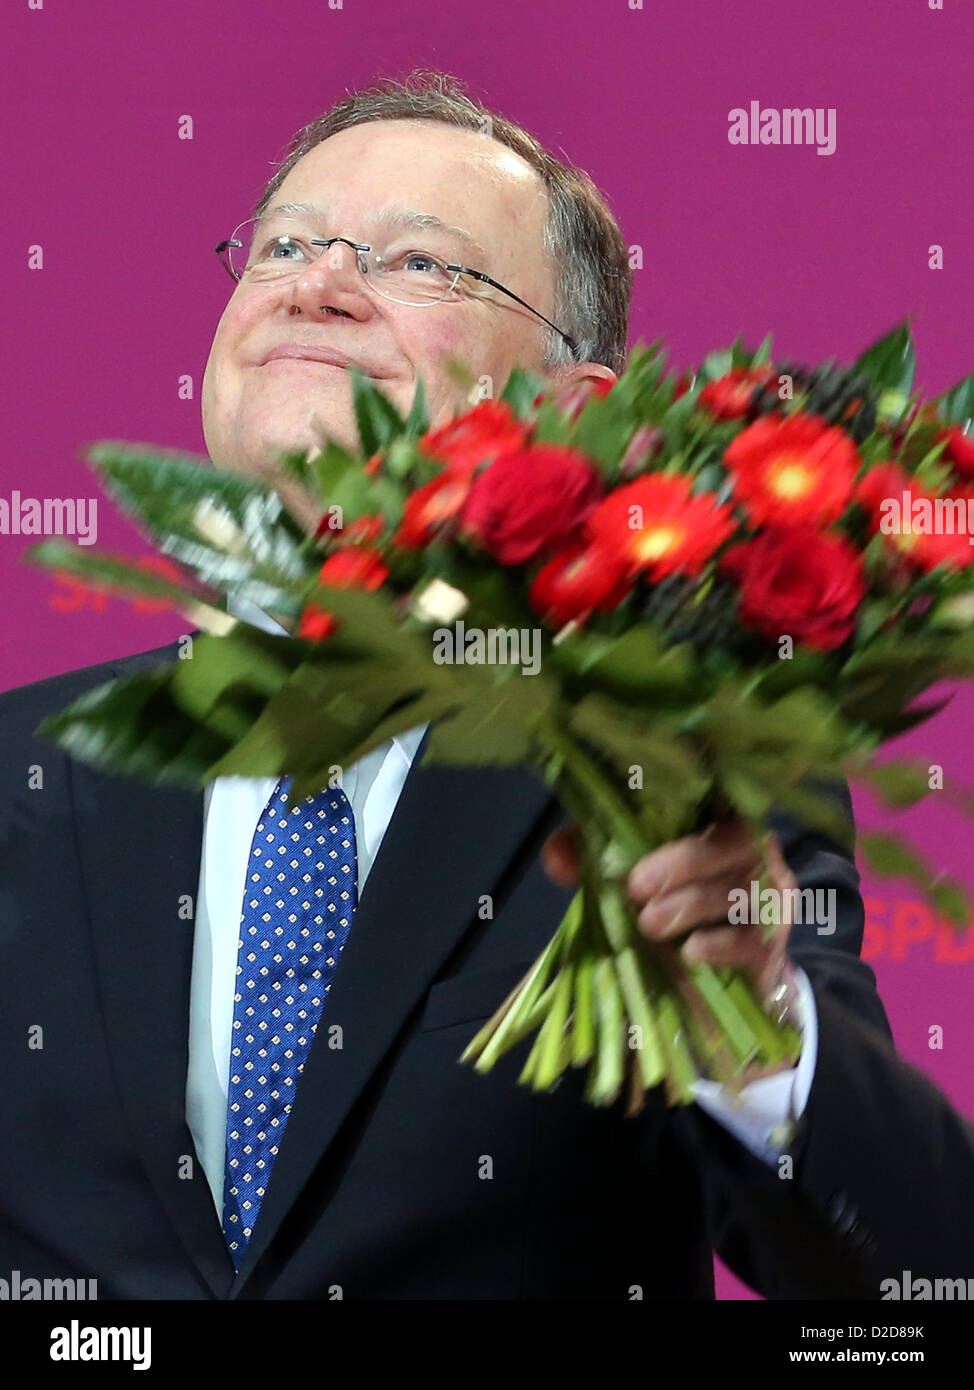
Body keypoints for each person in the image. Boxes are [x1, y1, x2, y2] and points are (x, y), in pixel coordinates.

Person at [2, 68, 973, 1302]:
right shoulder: (23, 767)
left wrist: (753, 1026)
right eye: (285, 243)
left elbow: (909, 1274)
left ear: (569, 411)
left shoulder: (669, 767)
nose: (316, 281)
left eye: (418, 263)